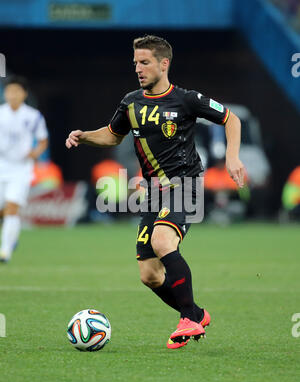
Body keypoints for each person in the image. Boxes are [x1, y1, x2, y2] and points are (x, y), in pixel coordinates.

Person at [66, 35, 245, 349]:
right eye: (135, 62)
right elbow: (111, 136)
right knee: (149, 274)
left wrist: (232, 157)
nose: (138, 68)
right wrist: (84, 136)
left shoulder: (186, 99)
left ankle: (188, 318)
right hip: (152, 194)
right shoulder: (131, 102)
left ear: (164, 64)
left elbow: (231, 119)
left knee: (162, 240)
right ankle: (195, 314)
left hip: (186, 185)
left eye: (145, 62)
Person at [0, 76, 48, 262]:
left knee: (12, 207)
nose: (13, 95)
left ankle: (5, 251)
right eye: (10, 91)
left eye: (17, 91)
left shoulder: (33, 116)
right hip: (1, 165)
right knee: (4, 210)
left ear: (24, 94)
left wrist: (35, 153)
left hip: (20, 169)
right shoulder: (1, 113)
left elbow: (43, 140)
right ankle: (11, 237)